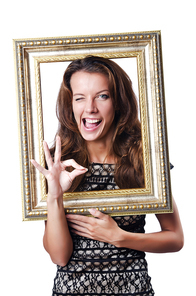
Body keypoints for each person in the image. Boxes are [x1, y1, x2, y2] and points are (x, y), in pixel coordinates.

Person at [31, 56, 184, 295]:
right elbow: (59, 256)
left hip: (134, 290)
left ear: (119, 102)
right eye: (79, 98)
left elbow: (175, 238)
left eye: (102, 96)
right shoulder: (57, 164)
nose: (89, 108)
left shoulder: (144, 160)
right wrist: (55, 196)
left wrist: (120, 237)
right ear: (70, 104)